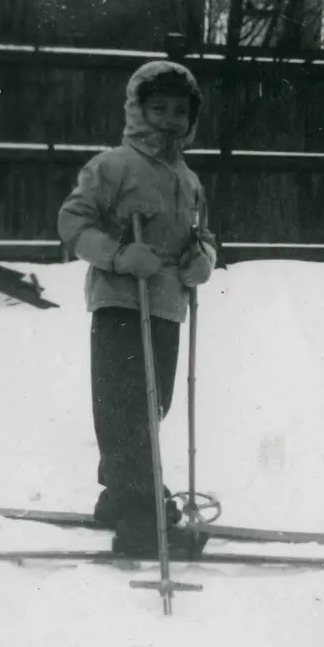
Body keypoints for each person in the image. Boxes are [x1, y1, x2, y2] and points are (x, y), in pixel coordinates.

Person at [57, 60, 216, 557]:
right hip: (121, 301)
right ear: (137, 110)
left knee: (154, 403)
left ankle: (123, 491)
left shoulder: (188, 179)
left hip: (167, 305)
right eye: (158, 108)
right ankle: (143, 514)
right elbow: (73, 223)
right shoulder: (112, 166)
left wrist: (204, 259)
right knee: (126, 405)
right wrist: (120, 254)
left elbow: (204, 234)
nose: (168, 120)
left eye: (178, 111)